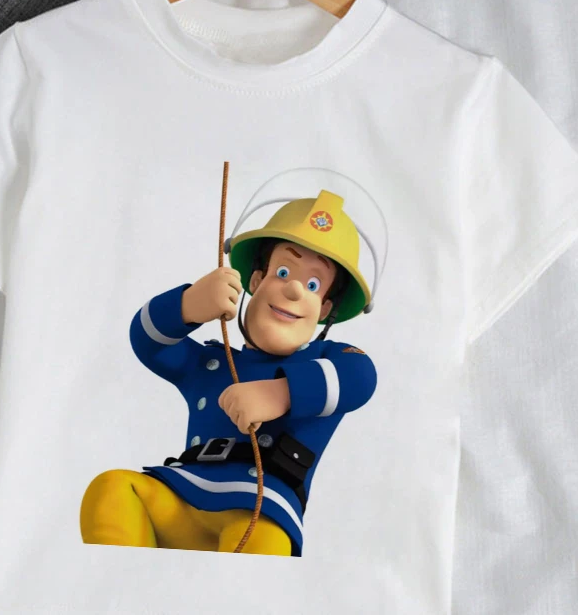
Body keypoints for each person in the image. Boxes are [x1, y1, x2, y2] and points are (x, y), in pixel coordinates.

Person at [80, 189, 378, 557]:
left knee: (262, 546)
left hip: (260, 509)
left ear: (326, 309)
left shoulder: (327, 362)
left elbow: (361, 376)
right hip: (180, 492)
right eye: (283, 272)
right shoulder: (212, 364)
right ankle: (123, 587)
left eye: (313, 285)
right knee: (113, 488)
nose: (294, 289)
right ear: (256, 280)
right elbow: (146, 341)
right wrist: (187, 305)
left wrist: (280, 393)